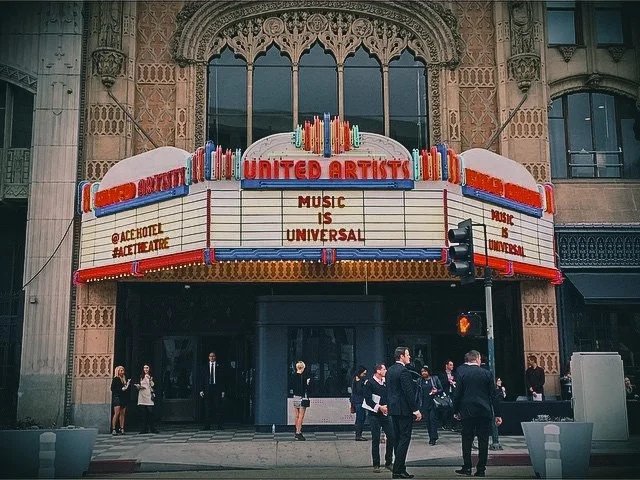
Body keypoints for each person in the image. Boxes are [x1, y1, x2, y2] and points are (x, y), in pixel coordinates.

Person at [453, 350, 502, 477]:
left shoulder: (461, 372)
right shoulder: (487, 373)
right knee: (483, 440)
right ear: (477, 359)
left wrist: (456, 410)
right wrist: (498, 414)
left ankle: (467, 466)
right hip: (484, 411)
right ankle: (481, 469)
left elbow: (457, 393)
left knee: (467, 439)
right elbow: (493, 395)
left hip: (467, 411)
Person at [387, 346, 422, 479]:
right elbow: (408, 392)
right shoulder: (404, 372)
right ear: (401, 356)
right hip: (403, 410)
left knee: (397, 439)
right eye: (407, 354)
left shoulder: (390, 370)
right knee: (404, 439)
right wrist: (416, 410)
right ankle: (398, 469)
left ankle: (401, 468)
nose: (409, 357)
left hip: (393, 409)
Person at [363, 363, 395, 473]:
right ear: (378, 370)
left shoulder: (385, 382)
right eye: (384, 369)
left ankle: (389, 461)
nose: (386, 371)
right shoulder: (369, 383)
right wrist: (379, 407)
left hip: (385, 413)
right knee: (375, 438)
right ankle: (376, 464)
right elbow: (368, 400)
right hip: (374, 414)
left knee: (391, 436)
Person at [199, 351, 225, 430]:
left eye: (213, 356)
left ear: (215, 357)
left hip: (216, 389)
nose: (212, 357)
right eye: (210, 356)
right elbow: (202, 379)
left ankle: (219, 425)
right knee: (207, 408)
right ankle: (207, 426)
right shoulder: (204, 367)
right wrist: (201, 390)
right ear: (208, 357)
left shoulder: (219, 366)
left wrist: (223, 391)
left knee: (218, 407)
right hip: (207, 389)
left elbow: (222, 379)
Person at [419, 366, 443, 445]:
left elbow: (441, 389)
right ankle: (431, 436)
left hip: (433, 402)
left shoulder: (434, 379)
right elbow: (418, 392)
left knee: (433, 420)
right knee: (428, 421)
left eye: (425, 371)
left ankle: (433, 438)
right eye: (422, 371)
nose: (424, 373)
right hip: (425, 403)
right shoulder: (420, 381)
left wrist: (436, 391)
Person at [289, 360, 311, 440]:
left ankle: (296, 431)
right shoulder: (304, 377)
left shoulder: (293, 376)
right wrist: (307, 383)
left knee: (297, 415)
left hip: (295, 397)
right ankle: (298, 432)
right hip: (302, 397)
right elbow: (306, 388)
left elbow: (291, 386)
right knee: (301, 416)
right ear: (303, 368)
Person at [134, 364, 158, 434]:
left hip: (149, 394)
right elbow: (138, 384)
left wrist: (150, 379)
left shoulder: (151, 376)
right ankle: (144, 429)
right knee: (143, 413)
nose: (146, 369)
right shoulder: (141, 376)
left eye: (147, 368)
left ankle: (152, 428)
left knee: (150, 412)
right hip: (142, 394)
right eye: (144, 368)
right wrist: (138, 386)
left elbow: (153, 385)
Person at [110, 365, 131, 435]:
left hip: (123, 397)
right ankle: (113, 428)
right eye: (121, 370)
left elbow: (126, 388)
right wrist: (121, 389)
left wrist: (127, 385)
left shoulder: (124, 378)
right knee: (116, 413)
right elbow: (112, 388)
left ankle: (122, 428)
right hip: (117, 397)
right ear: (118, 371)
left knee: (122, 413)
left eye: (123, 370)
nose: (122, 372)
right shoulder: (116, 379)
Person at [438, 359, 457, 430]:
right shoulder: (442, 374)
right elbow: (440, 383)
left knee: (454, 409)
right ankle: (444, 423)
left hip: (453, 393)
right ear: (446, 366)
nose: (452, 366)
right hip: (445, 393)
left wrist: (454, 382)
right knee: (445, 409)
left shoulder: (455, 374)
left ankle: (453, 425)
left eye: (452, 365)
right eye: (450, 365)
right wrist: (448, 380)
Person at [351, 365, 368, 441]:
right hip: (359, 401)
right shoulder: (359, 380)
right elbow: (359, 390)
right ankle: (358, 435)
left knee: (360, 418)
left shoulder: (355, 379)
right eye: (364, 374)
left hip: (357, 401)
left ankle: (358, 434)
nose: (364, 375)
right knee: (360, 418)